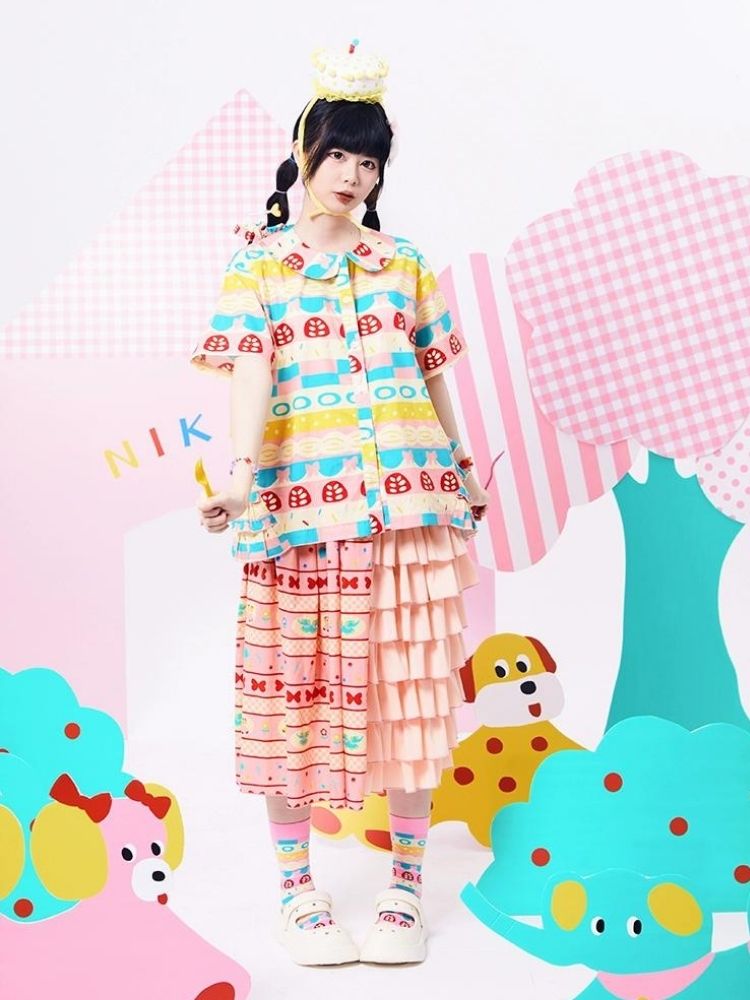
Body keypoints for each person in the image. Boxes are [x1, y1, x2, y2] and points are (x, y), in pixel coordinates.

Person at [191, 41, 490, 968]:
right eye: (340, 156)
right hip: (299, 511)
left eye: (370, 161)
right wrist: (239, 476)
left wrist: (462, 468)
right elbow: (250, 375)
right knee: (292, 698)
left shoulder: (404, 264)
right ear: (303, 152)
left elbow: (433, 377)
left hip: (410, 509)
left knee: (410, 705)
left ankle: (405, 892)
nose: (354, 176)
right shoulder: (260, 268)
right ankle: (298, 893)